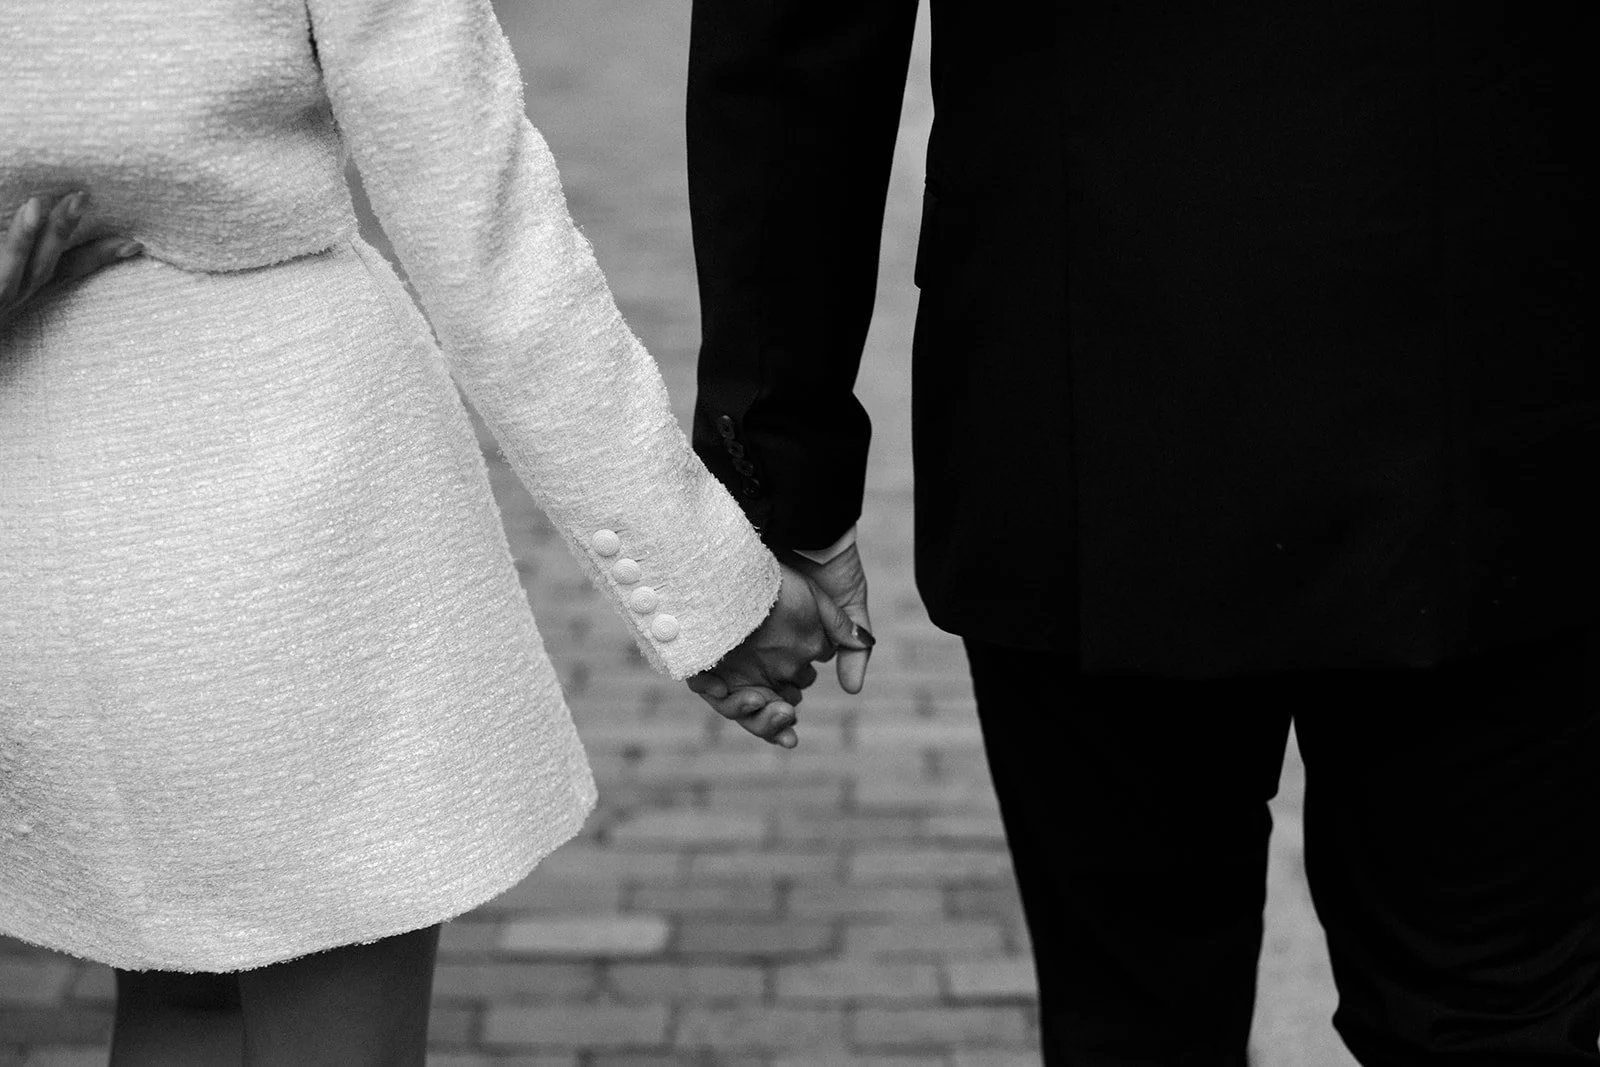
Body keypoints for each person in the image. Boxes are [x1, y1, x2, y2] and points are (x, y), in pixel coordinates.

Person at [683, 2, 1597, 1064]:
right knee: (1494, 1010)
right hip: (1508, 368)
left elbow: (797, 37)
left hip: (1091, 374)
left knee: (1135, 1010)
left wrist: (782, 475)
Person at [0, 0, 863, 1063]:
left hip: (48, 508)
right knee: (321, 1007)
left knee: (183, 1002)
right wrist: (705, 583)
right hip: (293, 496)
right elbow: (487, 238)